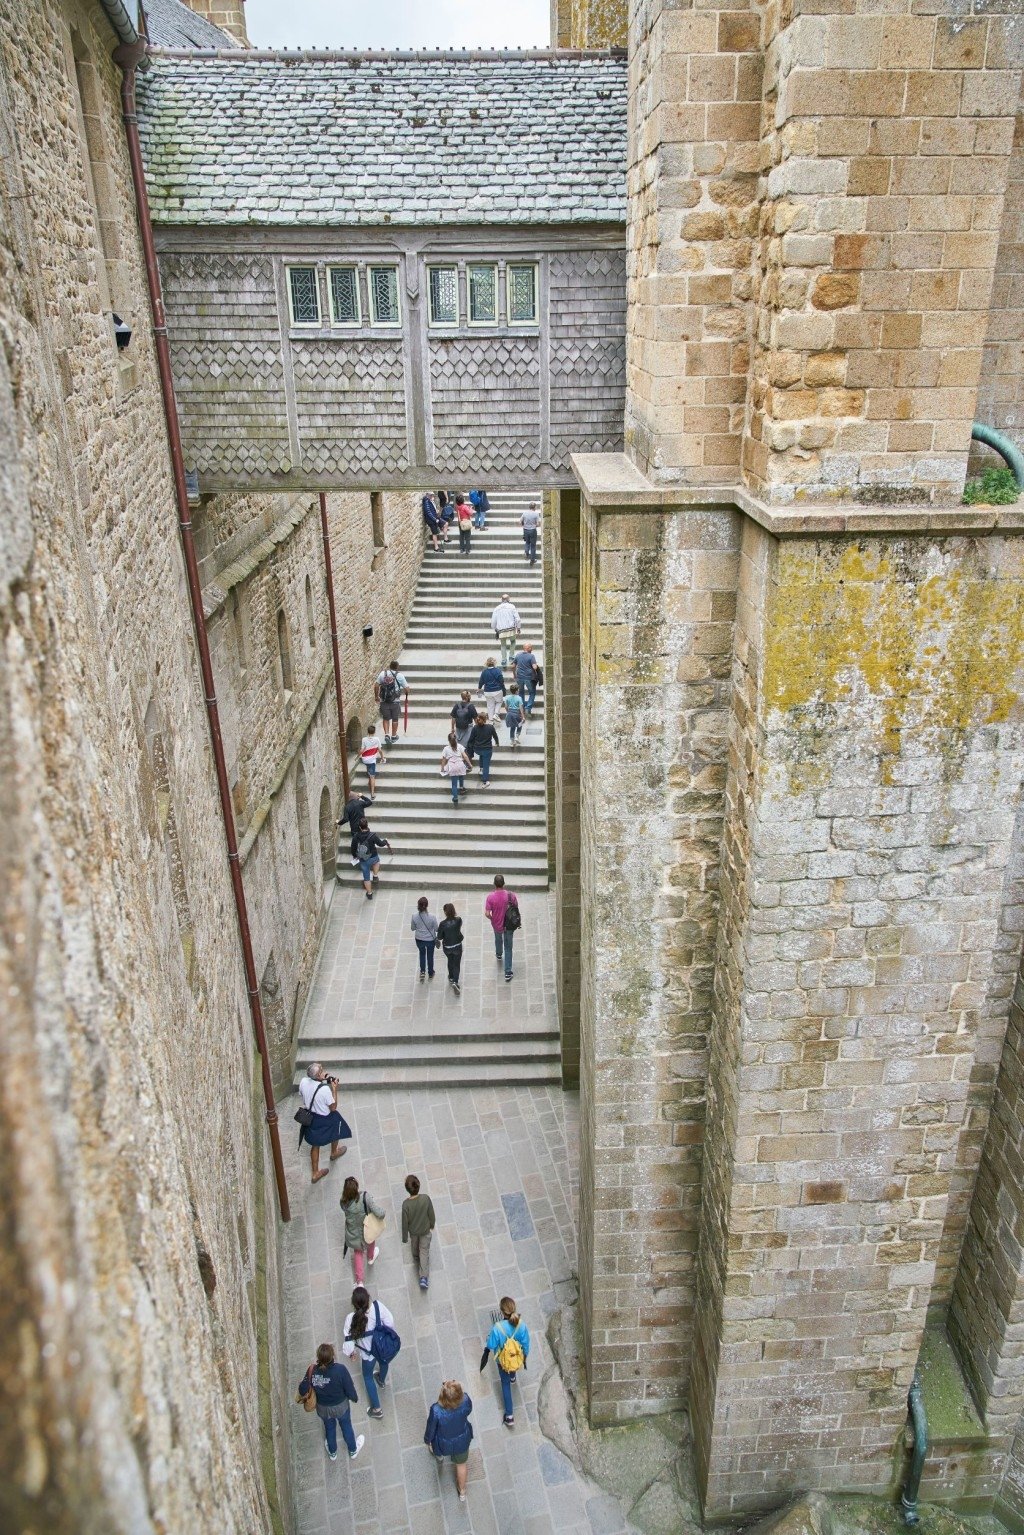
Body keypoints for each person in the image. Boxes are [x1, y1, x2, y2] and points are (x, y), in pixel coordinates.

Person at [297, 1344, 363, 1462]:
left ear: (318, 1356)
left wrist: (304, 1382)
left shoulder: (312, 1371)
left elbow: (302, 1390)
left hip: (323, 1408)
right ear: (333, 1356)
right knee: (346, 1426)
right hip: (341, 1407)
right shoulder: (340, 1370)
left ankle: (333, 1453)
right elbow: (349, 1388)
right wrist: (354, 1398)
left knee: (329, 1428)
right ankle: (353, 1450)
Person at [342, 1286, 396, 1422]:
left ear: (354, 1304)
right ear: (368, 1298)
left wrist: (351, 1354)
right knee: (384, 1362)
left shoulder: (350, 1319)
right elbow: (390, 1322)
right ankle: (382, 1380)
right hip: (382, 1348)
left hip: (368, 1354)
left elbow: (348, 1343)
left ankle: (377, 1409)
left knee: (367, 1377)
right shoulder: (378, 1307)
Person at [297, 1063, 352, 1184]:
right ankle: (334, 1152)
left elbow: (303, 1094)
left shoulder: (303, 1082)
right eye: (321, 1071)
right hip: (325, 1118)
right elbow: (333, 1107)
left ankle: (315, 1173)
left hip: (311, 1117)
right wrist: (334, 1089)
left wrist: (323, 1078)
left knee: (315, 1145)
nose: (324, 1072)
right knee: (337, 1127)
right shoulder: (325, 1090)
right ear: (317, 1076)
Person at [480, 1297, 530, 1428]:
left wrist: (489, 1339)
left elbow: (491, 1344)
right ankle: (513, 1376)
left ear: (502, 1312)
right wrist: (524, 1356)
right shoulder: (521, 1324)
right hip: (516, 1356)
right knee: (512, 1358)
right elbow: (525, 1344)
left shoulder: (497, 1328)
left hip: (502, 1360)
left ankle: (509, 1416)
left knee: (505, 1384)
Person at [424, 1381, 474, 1504]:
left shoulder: (436, 1410)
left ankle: (439, 1457)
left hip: (442, 1442)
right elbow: (469, 1410)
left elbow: (431, 1428)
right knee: (461, 1465)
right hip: (462, 1441)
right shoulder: (466, 1400)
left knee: (437, 1450)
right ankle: (462, 1491)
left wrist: (427, 1440)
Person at [340, 1176, 385, 1283]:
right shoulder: (365, 1197)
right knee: (370, 1241)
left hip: (353, 1233)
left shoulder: (343, 1202)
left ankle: (359, 1282)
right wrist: (383, 1213)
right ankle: (370, 1257)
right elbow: (379, 1213)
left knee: (358, 1253)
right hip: (366, 1228)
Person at [402, 1173, 436, 1291]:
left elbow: (404, 1222)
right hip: (425, 1230)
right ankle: (423, 1278)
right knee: (424, 1251)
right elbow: (431, 1213)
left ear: (407, 1189)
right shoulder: (425, 1198)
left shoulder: (406, 1205)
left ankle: (415, 1256)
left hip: (414, 1232)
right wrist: (432, 1224)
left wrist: (405, 1237)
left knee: (414, 1246)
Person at [484, 874, 518, 981]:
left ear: (494, 884)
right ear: (504, 883)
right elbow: (516, 907)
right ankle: (508, 972)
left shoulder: (490, 897)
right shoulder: (510, 895)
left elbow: (487, 913)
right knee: (508, 947)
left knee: (498, 939)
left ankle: (499, 954)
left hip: (497, 924)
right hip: (509, 925)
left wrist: (492, 919)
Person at [353, 818, 390, 900]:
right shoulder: (372, 835)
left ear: (359, 827)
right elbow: (380, 844)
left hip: (363, 860)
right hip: (373, 857)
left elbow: (353, 848)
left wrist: (355, 857)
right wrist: (385, 841)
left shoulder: (356, 836)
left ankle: (369, 894)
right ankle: (375, 875)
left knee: (366, 878)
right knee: (377, 861)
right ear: (367, 825)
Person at [375, 663, 408, 745]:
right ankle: (393, 736)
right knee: (395, 719)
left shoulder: (383, 674)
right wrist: (406, 694)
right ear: (397, 667)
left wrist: (376, 696)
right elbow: (407, 688)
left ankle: (386, 735)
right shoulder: (399, 675)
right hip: (395, 701)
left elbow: (376, 686)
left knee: (386, 718)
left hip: (384, 700)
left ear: (389, 666)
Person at [437, 902, 464, 994]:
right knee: (457, 964)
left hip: (447, 947)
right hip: (457, 946)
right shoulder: (459, 920)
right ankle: (455, 982)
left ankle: (451, 977)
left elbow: (440, 937)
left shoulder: (442, 924)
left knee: (450, 960)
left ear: (445, 912)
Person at [338, 792, 372, 865]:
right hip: (363, 826)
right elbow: (369, 802)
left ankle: (356, 857)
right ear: (356, 797)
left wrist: (339, 823)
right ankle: (366, 854)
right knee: (365, 841)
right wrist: (362, 796)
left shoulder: (347, 807)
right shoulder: (360, 803)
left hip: (354, 828)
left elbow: (346, 819)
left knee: (355, 843)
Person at [466, 713, 499, 788]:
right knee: (486, 765)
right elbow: (495, 736)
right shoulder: (490, 727)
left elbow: (471, 739)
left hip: (477, 749)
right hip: (487, 750)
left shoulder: (475, 728)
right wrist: (497, 743)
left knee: (481, 755)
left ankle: (481, 769)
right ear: (485, 720)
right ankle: (485, 781)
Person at [412, 896, 439, 982]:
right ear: (427, 905)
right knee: (430, 956)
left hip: (419, 939)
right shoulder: (432, 917)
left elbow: (413, 928)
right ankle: (430, 973)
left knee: (422, 954)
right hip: (430, 940)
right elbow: (437, 929)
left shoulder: (414, 916)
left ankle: (422, 971)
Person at [490, 594, 521, 668]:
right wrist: (518, 628)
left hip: (501, 629)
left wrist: (494, 628)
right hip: (511, 628)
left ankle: (504, 660)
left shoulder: (497, 608)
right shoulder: (512, 607)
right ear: (508, 599)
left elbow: (493, 620)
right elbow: (517, 619)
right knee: (513, 641)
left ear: (501, 599)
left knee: (503, 645)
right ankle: (511, 656)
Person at [441, 732, 471, 805]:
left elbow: (444, 760)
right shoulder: (460, 746)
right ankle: (461, 787)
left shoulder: (446, 748)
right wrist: (470, 764)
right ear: (456, 739)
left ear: (448, 740)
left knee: (454, 784)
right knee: (461, 775)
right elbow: (465, 756)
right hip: (460, 764)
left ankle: (455, 797)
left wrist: (442, 768)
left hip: (452, 766)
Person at [359, 724, 385, 799]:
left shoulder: (364, 739)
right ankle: (372, 794)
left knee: (368, 767)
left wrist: (358, 756)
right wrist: (382, 758)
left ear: (368, 731)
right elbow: (379, 750)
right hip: (371, 760)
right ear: (374, 732)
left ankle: (369, 779)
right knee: (373, 776)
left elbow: (362, 750)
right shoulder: (377, 739)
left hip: (365, 759)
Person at [514, 642, 540, 717]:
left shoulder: (518, 655)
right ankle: (528, 708)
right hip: (529, 677)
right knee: (532, 692)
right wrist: (535, 666)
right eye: (531, 647)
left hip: (520, 677)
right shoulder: (531, 656)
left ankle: (522, 709)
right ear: (528, 648)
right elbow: (534, 667)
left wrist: (514, 674)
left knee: (521, 693)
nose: (532, 649)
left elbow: (513, 666)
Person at [478, 657, 505, 722]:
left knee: (490, 706)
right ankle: (496, 714)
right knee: (499, 701)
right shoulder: (498, 671)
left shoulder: (484, 672)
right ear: (494, 663)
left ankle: (491, 720)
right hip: (497, 690)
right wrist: (503, 689)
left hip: (487, 691)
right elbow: (501, 681)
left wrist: (479, 688)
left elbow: (481, 681)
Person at [503, 682, 525, 747]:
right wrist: (523, 717)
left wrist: (508, 712)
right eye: (518, 690)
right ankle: (517, 736)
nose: (518, 691)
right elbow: (521, 709)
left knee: (512, 727)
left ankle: (512, 742)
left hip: (510, 713)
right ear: (516, 691)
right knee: (520, 724)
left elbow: (506, 707)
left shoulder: (507, 697)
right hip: (516, 713)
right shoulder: (519, 698)